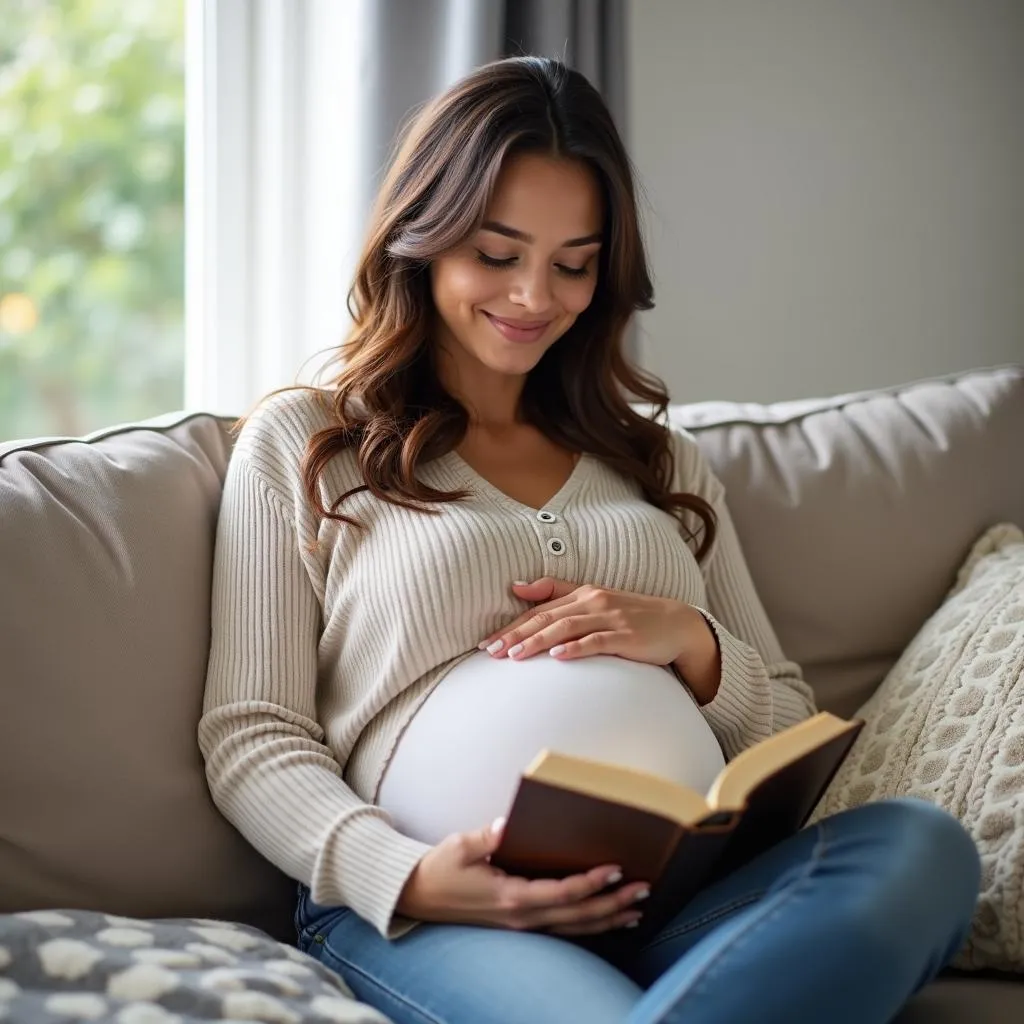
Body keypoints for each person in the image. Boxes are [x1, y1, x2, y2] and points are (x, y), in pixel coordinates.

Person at [200, 56, 981, 1024]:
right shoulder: (309, 443)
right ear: (422, 238)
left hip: (684, 901)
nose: (534, 295)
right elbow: (250, 732)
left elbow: (785, 720)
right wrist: (405, 876)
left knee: (922, 844)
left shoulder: (661, 463)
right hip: (439, 911)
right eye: (496, 253)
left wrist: (692, 646)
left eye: (573, 263)